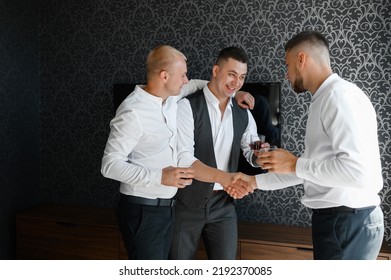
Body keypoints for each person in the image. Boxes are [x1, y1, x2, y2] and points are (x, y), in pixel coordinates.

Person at [231, 30, 384, 260]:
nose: (287, 74)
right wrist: (254, 181)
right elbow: (309, 171)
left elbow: (356, 172)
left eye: (288, 65)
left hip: (346, 222)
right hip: (342, 221)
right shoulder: (326, 98)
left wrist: (295, 164)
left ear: (301, 59)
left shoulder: (337, 97)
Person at [101, 45, 254, 260]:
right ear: (164, 76)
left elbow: (200, 85)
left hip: (167, 208)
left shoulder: (171, 97)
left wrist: (236, 92)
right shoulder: (132, 112)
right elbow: (109, 165)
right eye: (182, 75)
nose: (185, 80)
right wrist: (159, 176)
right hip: (142, 210)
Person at [169, 46, 266, 260]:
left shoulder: (243, 113)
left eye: (241, 77)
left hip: (224, 206)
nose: (237, 82)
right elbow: (184, 159)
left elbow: (252, 145)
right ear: (215, 71)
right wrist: (226, 178)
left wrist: (261, 153)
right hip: (187, 204)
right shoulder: (187, 107)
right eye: (231, 74)